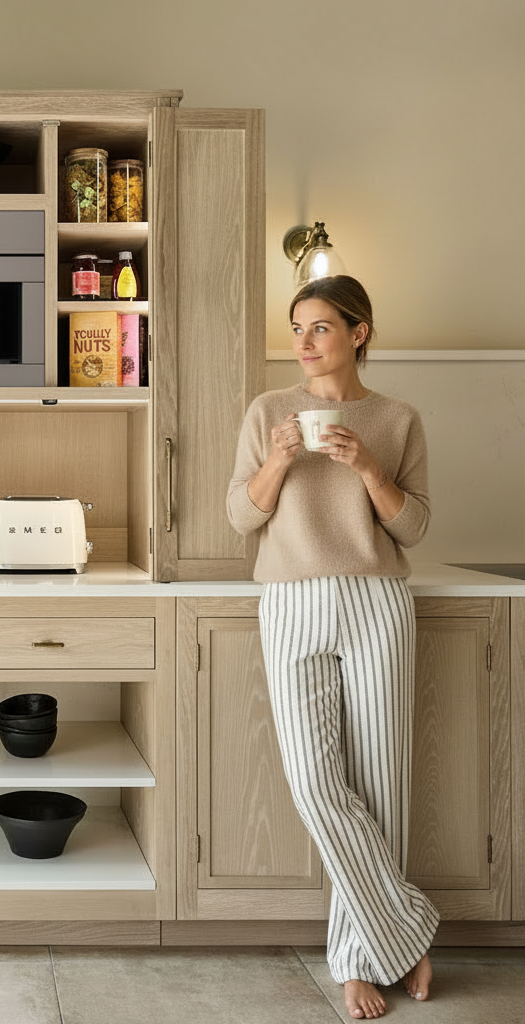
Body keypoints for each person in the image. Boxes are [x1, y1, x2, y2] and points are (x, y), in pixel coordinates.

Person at [226, 275, 438, 1020]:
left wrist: (366, 467)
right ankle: (406, 930)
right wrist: (279, 460)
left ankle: (357, 958)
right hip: (290, 601)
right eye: (297, 327)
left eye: (319, 327)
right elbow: (239, 516)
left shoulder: (397, 418)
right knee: (317, 784)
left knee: (382, 784)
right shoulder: (267, 412)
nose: (304, 342)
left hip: (376, 601)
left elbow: (413, 527)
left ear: (360, 332)